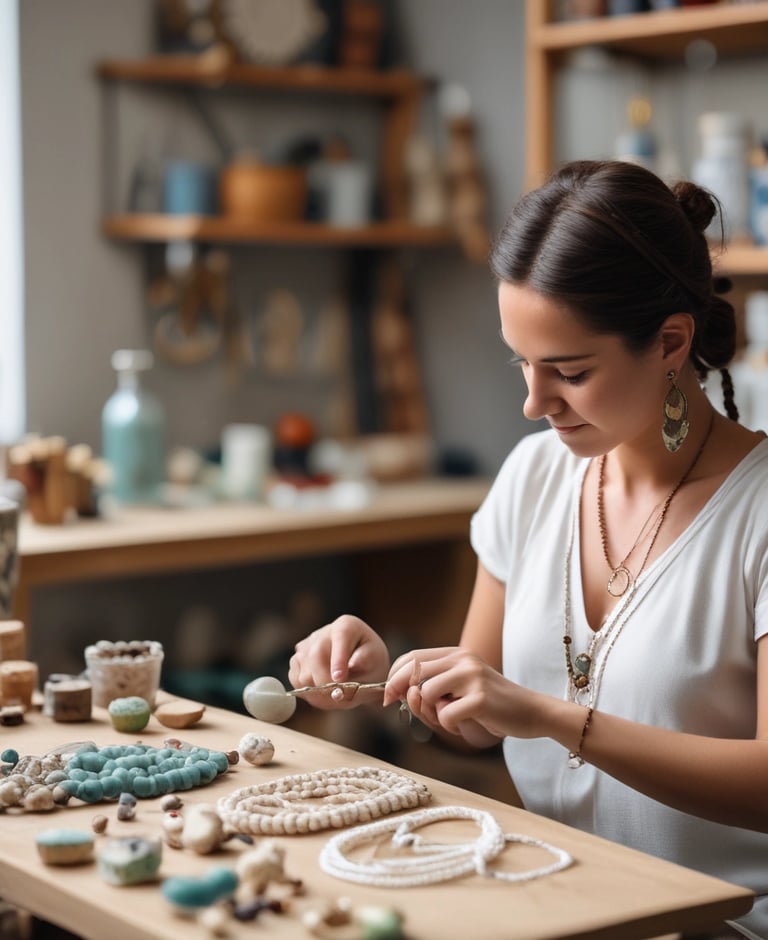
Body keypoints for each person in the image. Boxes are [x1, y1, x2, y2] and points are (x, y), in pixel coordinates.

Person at [288, 160, 768, 939]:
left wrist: (553, 717)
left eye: (569, 372)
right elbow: (476, 717)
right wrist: (390, 674)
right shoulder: (535, 476)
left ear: (671, 343)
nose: (533, 402)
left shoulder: (759, 513)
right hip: (558, 899)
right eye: (522, 363)